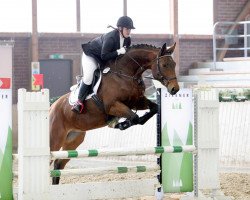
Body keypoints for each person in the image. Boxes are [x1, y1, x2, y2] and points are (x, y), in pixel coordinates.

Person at [71, 16, 135, 114]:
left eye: (130, 29)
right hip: (91, 55)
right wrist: (118, 51)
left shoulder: (127, 39)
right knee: (89, 77)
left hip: (105, 58)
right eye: (127, 29)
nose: (129, 31)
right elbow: (104, 56)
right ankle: (78, 102)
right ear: (120, 28)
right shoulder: (111, 37)